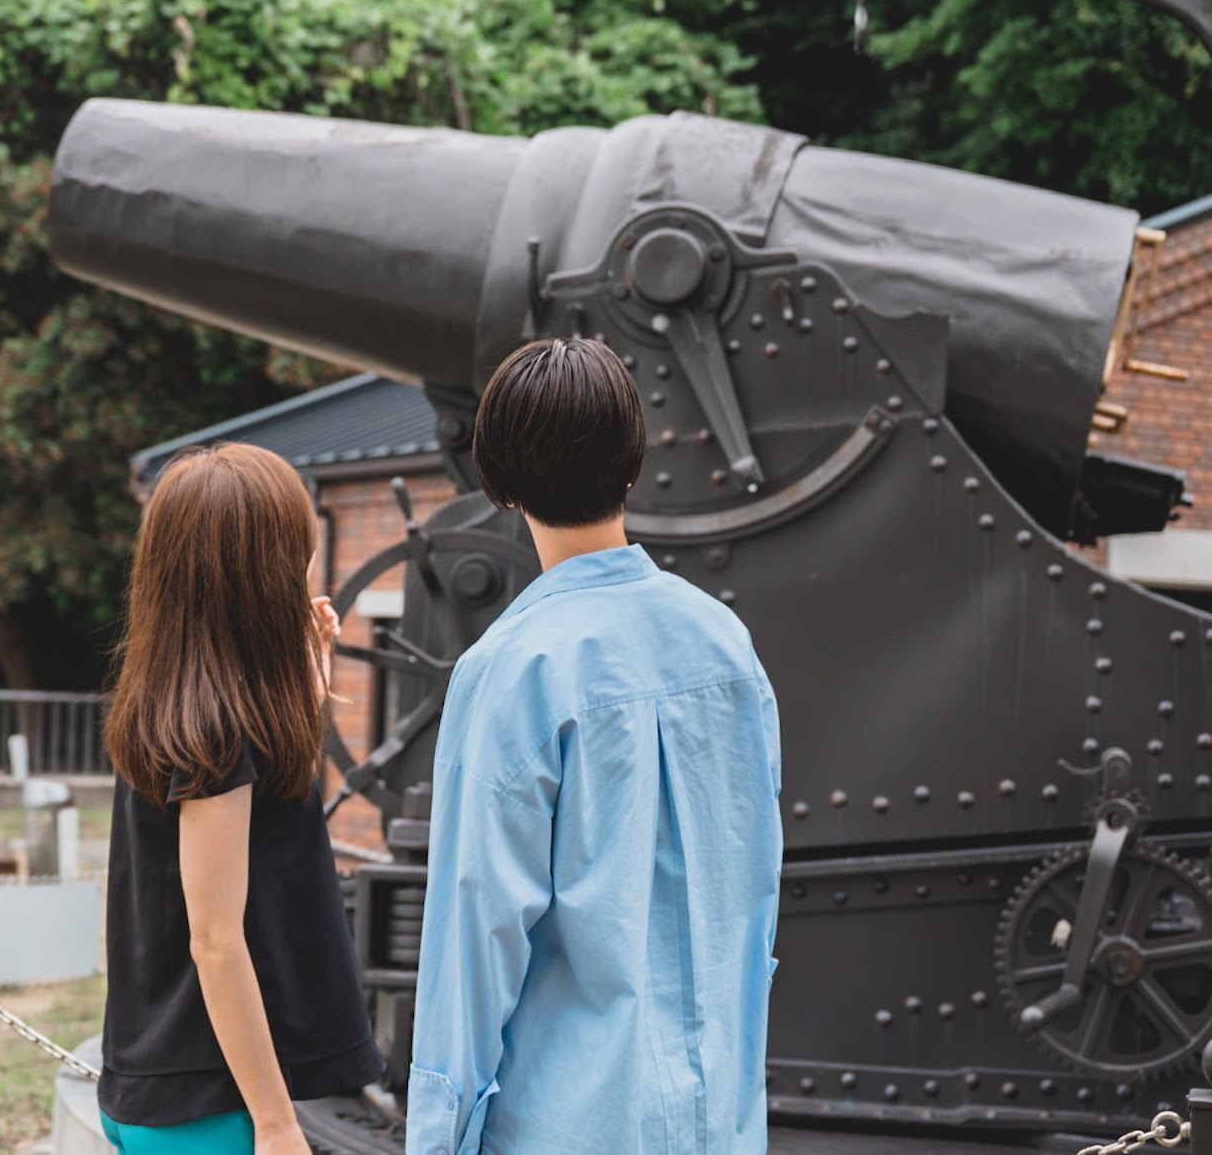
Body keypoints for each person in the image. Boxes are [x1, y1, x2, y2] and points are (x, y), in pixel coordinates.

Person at [407, 337, 783, 1155]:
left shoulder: (508, 669)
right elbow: (751, 905)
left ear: (496, 482)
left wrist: (437, 1139)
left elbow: (474, 942)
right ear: (631, 461)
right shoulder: (726, 645)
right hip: (716, 1123)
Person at [100, 442, 384, 1155]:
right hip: (210, 1110)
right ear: (258, 576)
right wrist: (277, 1122)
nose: (306, 566)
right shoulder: (217, 737)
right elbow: (217, 942)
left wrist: (306, 681)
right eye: (297, 550)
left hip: (170, 1081)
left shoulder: (174, 701)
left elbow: (263, 821)